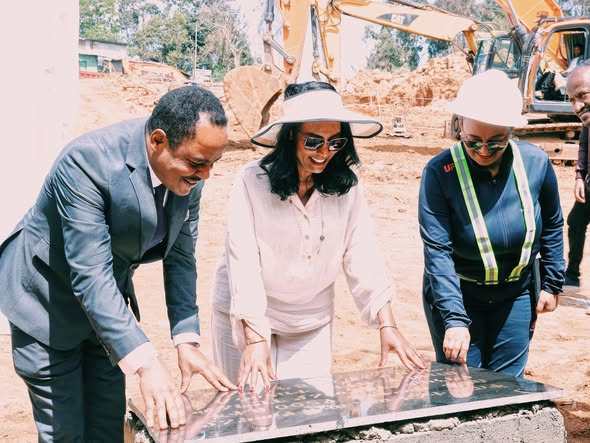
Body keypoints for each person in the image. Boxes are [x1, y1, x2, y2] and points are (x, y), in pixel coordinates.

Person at [0, 86, 237, 441]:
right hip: (47, 306)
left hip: (108, 315)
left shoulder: (189, 175)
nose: (205, 176)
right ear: (158, 141)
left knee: (108, 427)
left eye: (212, 164)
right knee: (66, 434)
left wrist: (186, 339)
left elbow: (180, 257)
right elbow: (90, 273)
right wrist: (147, 363)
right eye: (197, 164)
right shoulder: (86, 163)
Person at [211, 81, 425, 391]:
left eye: (335, 142)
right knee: (250, 405)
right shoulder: (251, 182)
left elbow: (361, 253)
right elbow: (242, 259)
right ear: (290, 137)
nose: (325, 152)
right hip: (249, 313)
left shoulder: (347, 187)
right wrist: (254, 338)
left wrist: (386, 323)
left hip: (309, 320)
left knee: (309, 408)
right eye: (313, 142)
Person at [418, 69, 564, 378]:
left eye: (496, 143)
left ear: (511, 131)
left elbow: (552, 223)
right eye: (473, 142)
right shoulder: (439, 173)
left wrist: (552, 282)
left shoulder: (535, 163)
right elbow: (437, 252)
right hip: (459, 294)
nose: (484, 151)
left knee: (507, 384)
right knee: (460, 383)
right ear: (460, 126)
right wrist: (454, 319)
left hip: (515, 295)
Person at [565, 63, 590, 296]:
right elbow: (583, 145)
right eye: (572, 100)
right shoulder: (588, 122)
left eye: (583, 95)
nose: (577, 106)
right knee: (575, 221)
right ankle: (571, 274)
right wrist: (580, 176)